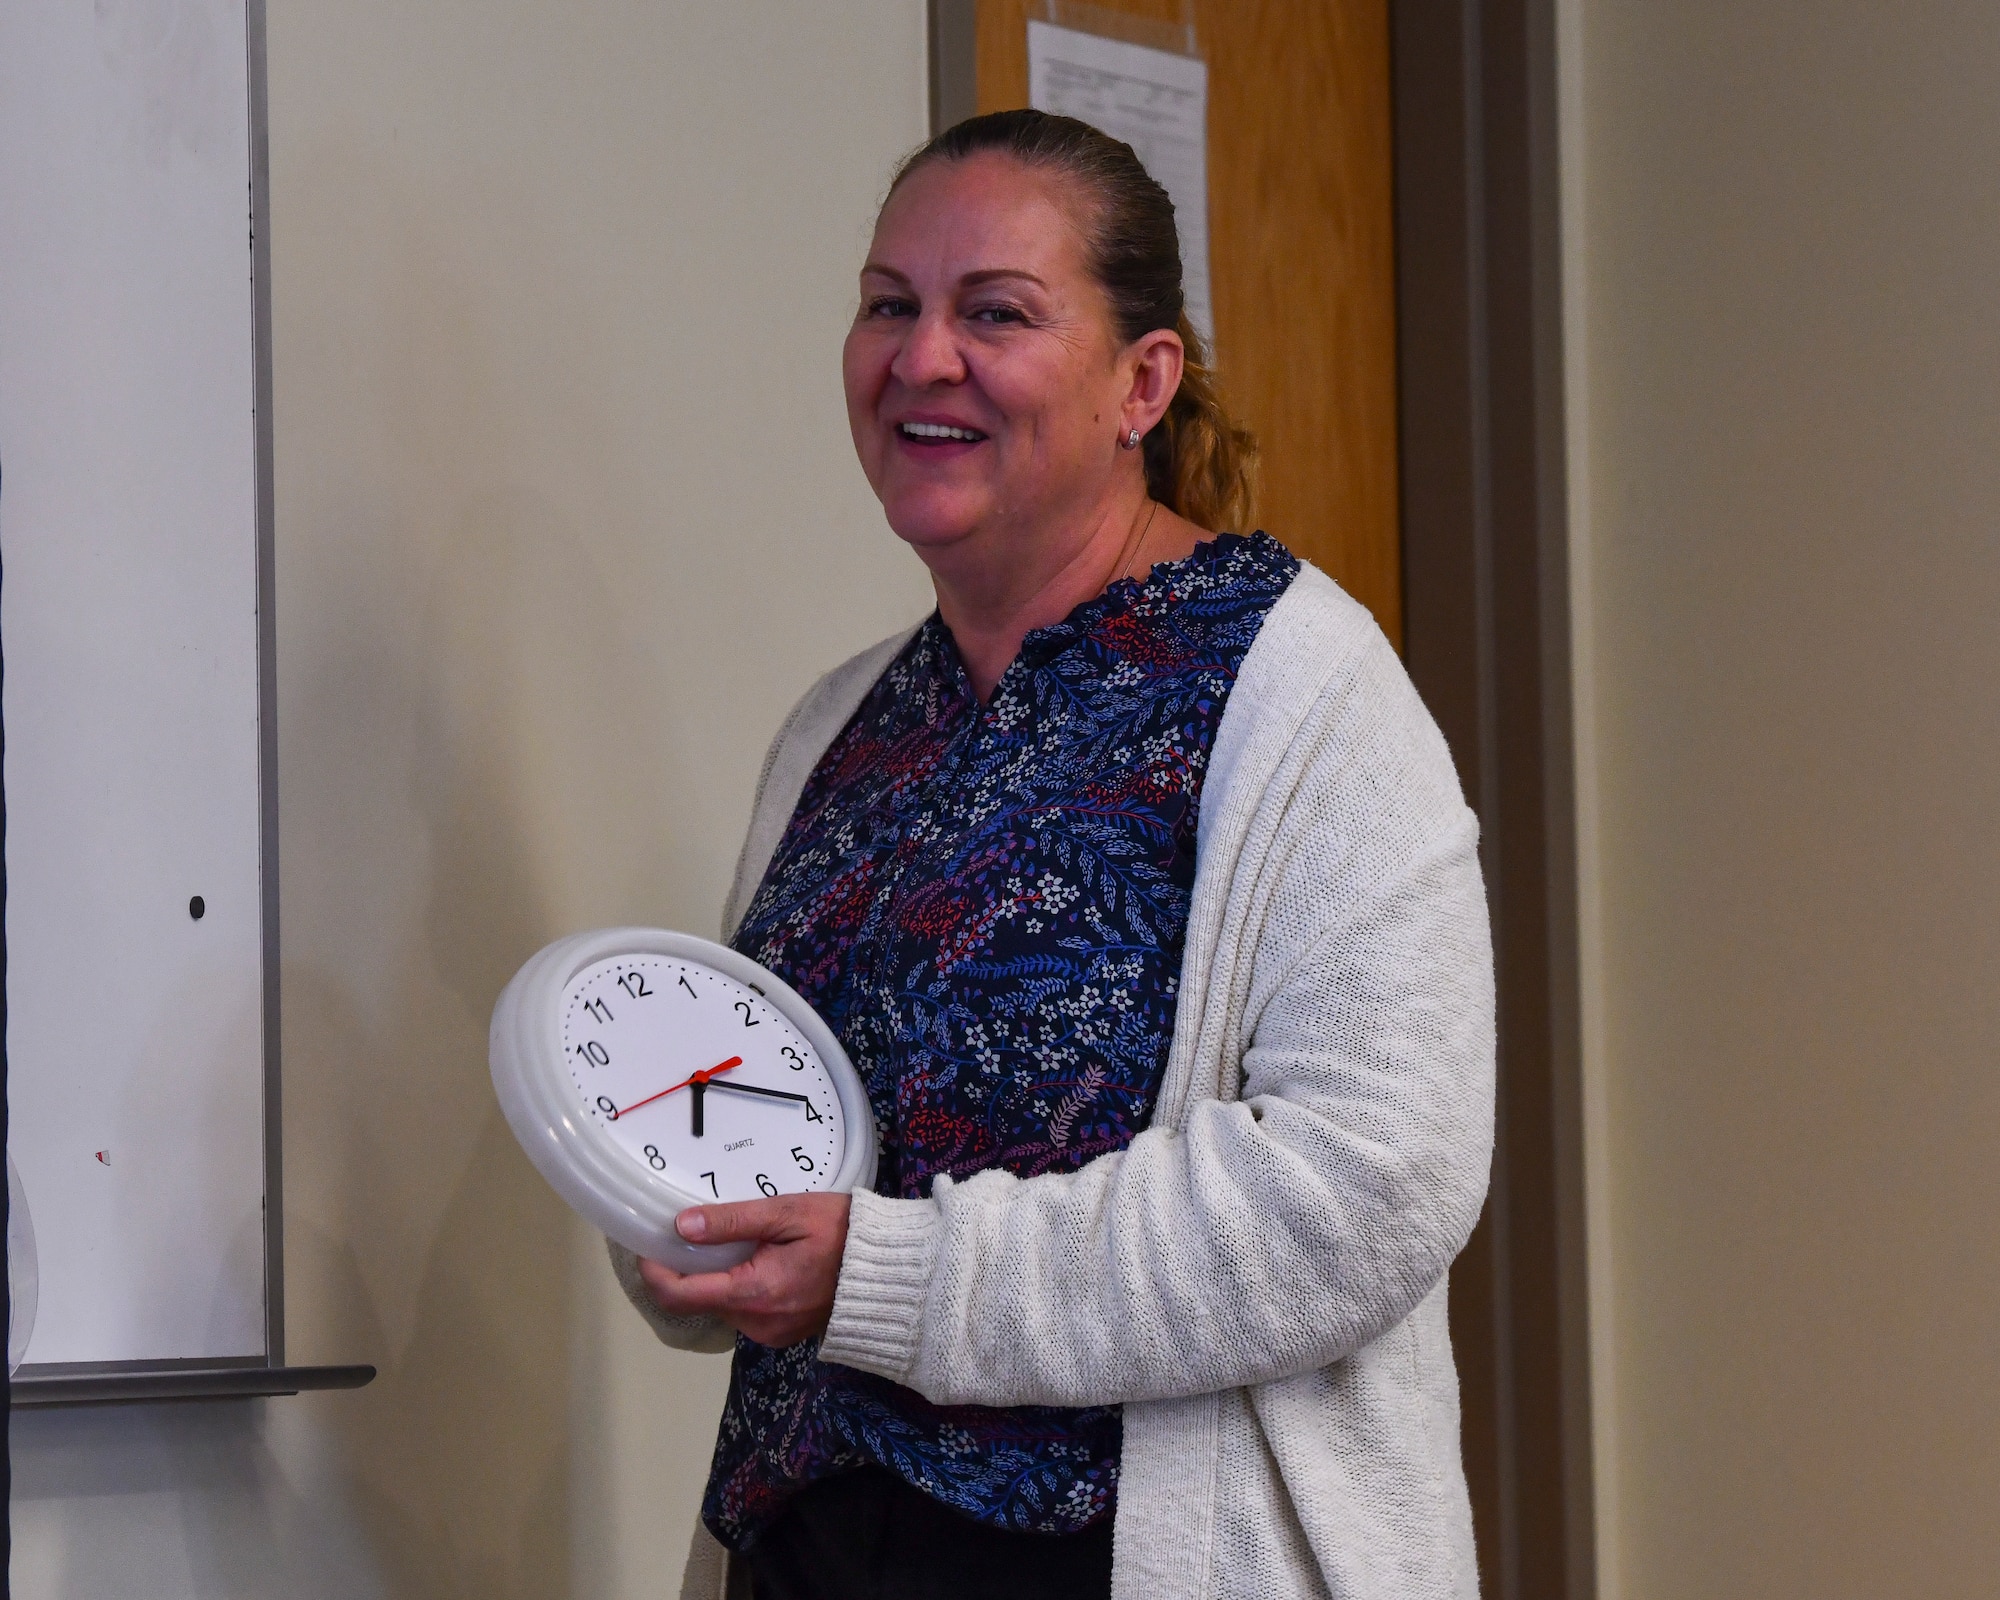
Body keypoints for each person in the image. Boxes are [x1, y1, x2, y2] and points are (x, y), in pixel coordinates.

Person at [610, 109, 1495, 1600]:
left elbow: (1366, 1186)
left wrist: (885, 1278)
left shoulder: (1299, 693)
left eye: (996, 312)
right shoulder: (838, 732)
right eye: (890, 303)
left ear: (1144, 382)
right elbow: (770, 1124)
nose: (921, 357)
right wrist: (679, 1210)